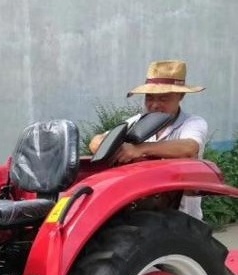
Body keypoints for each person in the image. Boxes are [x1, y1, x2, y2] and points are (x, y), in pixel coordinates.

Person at [88, 60, 208, 219]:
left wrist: (140, 149)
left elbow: (189, 148)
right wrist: (109, 146)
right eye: (149, 98)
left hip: (184, 219)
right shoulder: (137, 121)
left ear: (181, 96)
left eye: (163, 99)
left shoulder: (193, 123)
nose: (155, 105)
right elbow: (96, 142)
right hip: (144, 216)